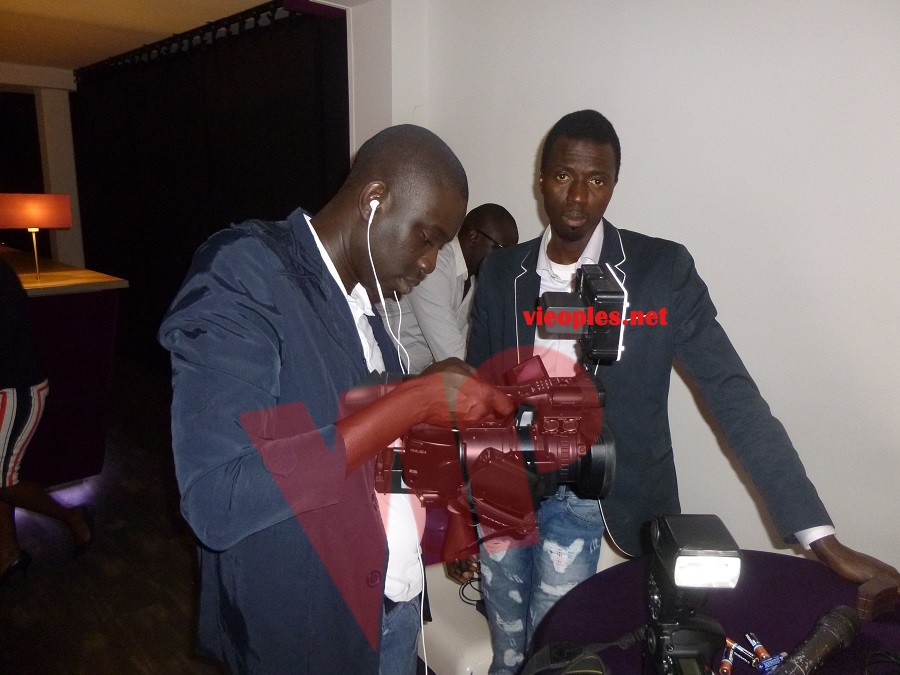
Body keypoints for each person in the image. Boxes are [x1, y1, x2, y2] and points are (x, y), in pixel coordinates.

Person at [465, 110, 900, 674]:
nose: (577, 196)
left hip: (588, 496)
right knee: (506, 646)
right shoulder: (503, 272)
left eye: (596, 180)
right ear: (541, 177)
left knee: (553, 645)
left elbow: (734, 398)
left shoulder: (659, 273)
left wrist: (821, 538)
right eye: (564, 176)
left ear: (614, 184)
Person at [158, 124, 513, 674]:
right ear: (374, 200)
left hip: (393, 613)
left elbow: (376, 450)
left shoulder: (366, 305)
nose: (429, 264)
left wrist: (449, 519)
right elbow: (216, 499)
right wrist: (408, 400)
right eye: (427, 238)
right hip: (308, 633)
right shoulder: (246, 272)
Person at [0, 257, 93, 585]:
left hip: (16, 388)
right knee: (2, 474)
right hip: (11, 385)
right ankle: (8, 553)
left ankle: (72, 516)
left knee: (3, 479)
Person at [380, 203, 519, 374]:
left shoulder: (474, 281)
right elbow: (454, 356)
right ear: (474, 238)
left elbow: (471, 350)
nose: (505, 261)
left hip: (412, 376)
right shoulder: (434, 267)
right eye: (502, 250)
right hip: (381, 370)